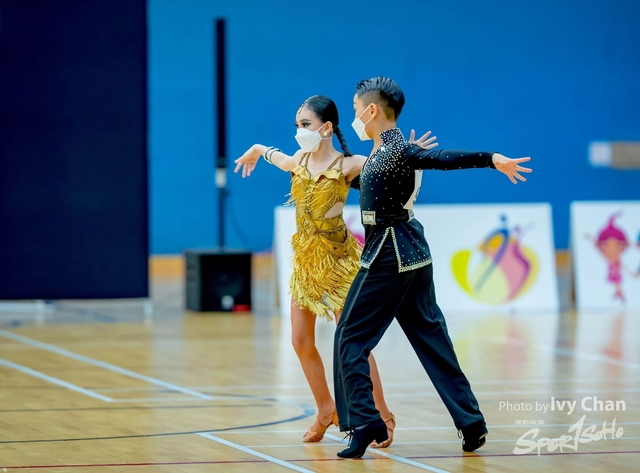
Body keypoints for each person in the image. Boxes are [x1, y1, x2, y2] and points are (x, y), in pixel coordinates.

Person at [332, 77, 533, 458]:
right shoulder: (385, 153)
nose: (355, 117)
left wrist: (491, 158)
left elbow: (443, 159)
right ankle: (471, 422)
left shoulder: (396, 151)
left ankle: (365, 420)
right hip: (413, 255)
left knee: (350, 337)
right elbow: (376, 185)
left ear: (371, 110)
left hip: (388, 254)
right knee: (432, 339)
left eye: (356, 109)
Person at [234, 95, 436, 446]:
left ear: (326, 128)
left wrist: (411, 153)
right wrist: (255, 149)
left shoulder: (349, 164)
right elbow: (272, 154)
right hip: (305, 263)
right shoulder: (297, 160)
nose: (299, 131)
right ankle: (325, 409)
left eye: (305, 125)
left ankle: (382, 414)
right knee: (300, 341)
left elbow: (390, 165)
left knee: (354, 342)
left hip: (339, 261)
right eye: (297, 125)